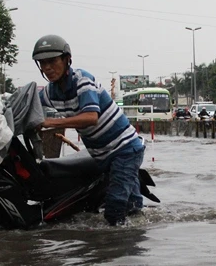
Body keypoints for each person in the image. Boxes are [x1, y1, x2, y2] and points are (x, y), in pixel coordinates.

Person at [34, 34, 144, 226]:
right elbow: (30, 103)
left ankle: (118, 250)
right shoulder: (51, 92)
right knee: (132, 208)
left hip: (124, 150)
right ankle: (137, 238)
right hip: (101, 155)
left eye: (52, 61)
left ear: (67, 59)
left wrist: (49, 122)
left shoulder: (81, 80)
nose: (47, 68)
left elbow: (90, 117)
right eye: (42, 63)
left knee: (115, 209)